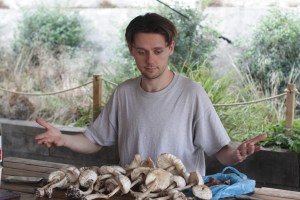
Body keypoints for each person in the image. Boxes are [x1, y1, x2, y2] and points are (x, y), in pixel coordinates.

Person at [35, 13, 267, 175]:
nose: (150, 60)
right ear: (131, 50)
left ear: (171, 48)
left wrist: (237, 155)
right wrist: (63, 138)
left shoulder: (191, 93)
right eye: (142, 52)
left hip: (180, 194)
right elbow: (94, 141)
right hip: (130, 193)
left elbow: (221, 152)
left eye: (158, 51)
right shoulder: (124, 92)